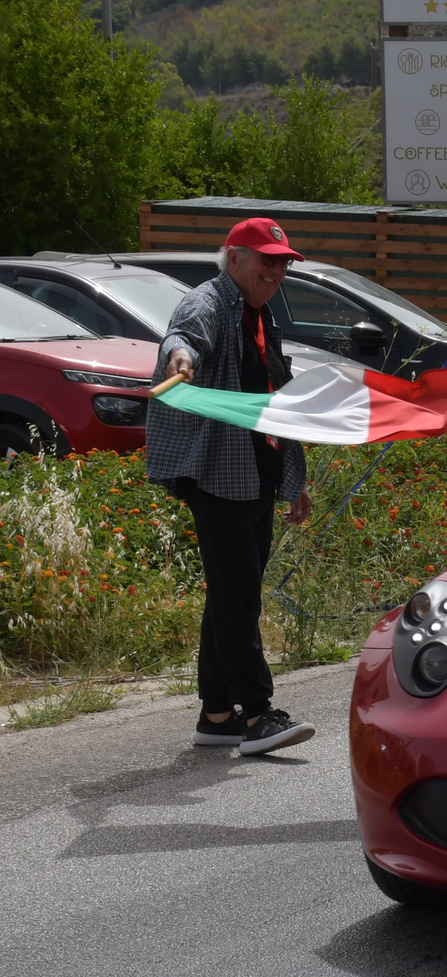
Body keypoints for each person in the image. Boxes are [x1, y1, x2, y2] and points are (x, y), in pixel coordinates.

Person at [148, 218, 316, 754]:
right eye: (267, 259)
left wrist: (295, 482)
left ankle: (217, 714)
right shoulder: (209, 303)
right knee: (239, 597)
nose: (276, 269)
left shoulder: (261, 314)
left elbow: (275, 398)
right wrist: (181, 360)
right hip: (218, 475)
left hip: (255, 475)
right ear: (235, 256)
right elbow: (184, 339)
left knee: (229, 596)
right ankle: (257, 714)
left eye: (284, 261)